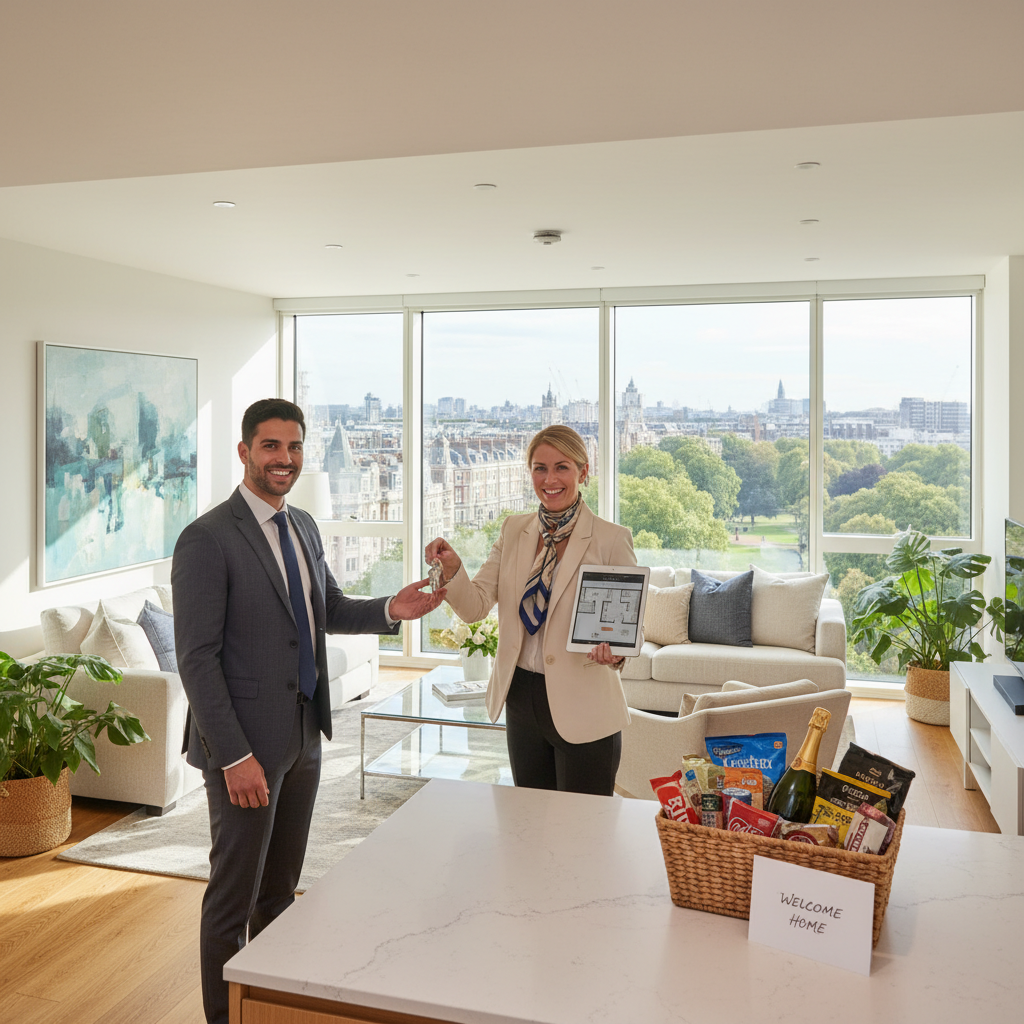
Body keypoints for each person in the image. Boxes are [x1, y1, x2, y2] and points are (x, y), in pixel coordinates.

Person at [172, 398, 446, 1024]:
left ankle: (272, 1007)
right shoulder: (207, 539)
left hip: (302, 736)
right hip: (246, 748)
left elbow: (327, 606)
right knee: (232, 899)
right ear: (244, 452)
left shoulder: (303, 527)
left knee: (280, 890)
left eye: (294, 447)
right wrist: (236, 756)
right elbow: (197, 660)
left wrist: (390, 611)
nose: (285, 459)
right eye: (271, 446)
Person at [425, 425, 636, 797]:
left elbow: (630, 624)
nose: (550, 479)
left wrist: (617, 652)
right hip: (521, 698)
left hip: (585, 705)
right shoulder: (513, 530)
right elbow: (475, 607)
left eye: (562, 468)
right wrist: (454, 570)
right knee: (529, 827)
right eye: (540, 468)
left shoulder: (611, 538)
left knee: (583, 833)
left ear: (583, 472)